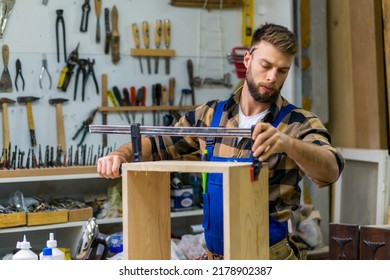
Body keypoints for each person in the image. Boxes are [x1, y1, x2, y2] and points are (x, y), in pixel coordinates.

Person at [97, 22, 345, 260]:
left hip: (268, 257)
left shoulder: (298, 122)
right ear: (247, 60)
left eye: (282, 71)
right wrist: (122, 154)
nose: (272, 77)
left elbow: (330, 169)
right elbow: (160, 142)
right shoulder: (210, 116)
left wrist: (288, 143)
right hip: (218, 257)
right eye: (265, 66)